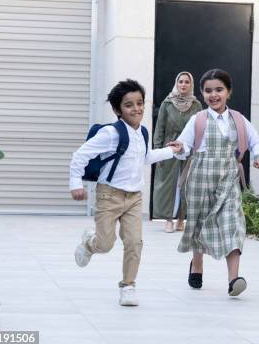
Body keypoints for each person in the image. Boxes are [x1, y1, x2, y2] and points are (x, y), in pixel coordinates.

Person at [69, 79, 183, 306]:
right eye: (129, 104)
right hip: (109, 195)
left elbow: (146, 158)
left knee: (134, 242)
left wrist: (171, 151)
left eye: (140, 103)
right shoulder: (110, 133)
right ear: (117, 109)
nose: (137, 109)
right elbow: (80, 155)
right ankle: (90, 243)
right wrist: (75, 184)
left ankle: (128, 285)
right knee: (106, 244)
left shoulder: (142, 132)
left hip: (134, 198)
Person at [174, 68, 259, 297]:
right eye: (208, 91)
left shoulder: (238, 119)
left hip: (228, 178)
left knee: (232, 224)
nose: (213, 95)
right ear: (202, 94)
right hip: (199, 177)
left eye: (218, 90)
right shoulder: (199, 119)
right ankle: (197, 265)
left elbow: (256, 142)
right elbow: (185, 146)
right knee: (198, 222)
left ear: (228, 92)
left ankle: (234, 279)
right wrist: (178, 148)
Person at [152, 71, 202, 233]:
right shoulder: (167, 103)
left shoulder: (196, 105)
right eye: (180, 81)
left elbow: (200, 130)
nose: (183, 85)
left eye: (187, 82)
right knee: (168, 185)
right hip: (169, 147)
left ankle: (181, 218)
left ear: (191, 85)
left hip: (189, 149)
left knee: (186, 183)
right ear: (176, 83)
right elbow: (159, 127)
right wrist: (158, 150)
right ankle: (168, 219)